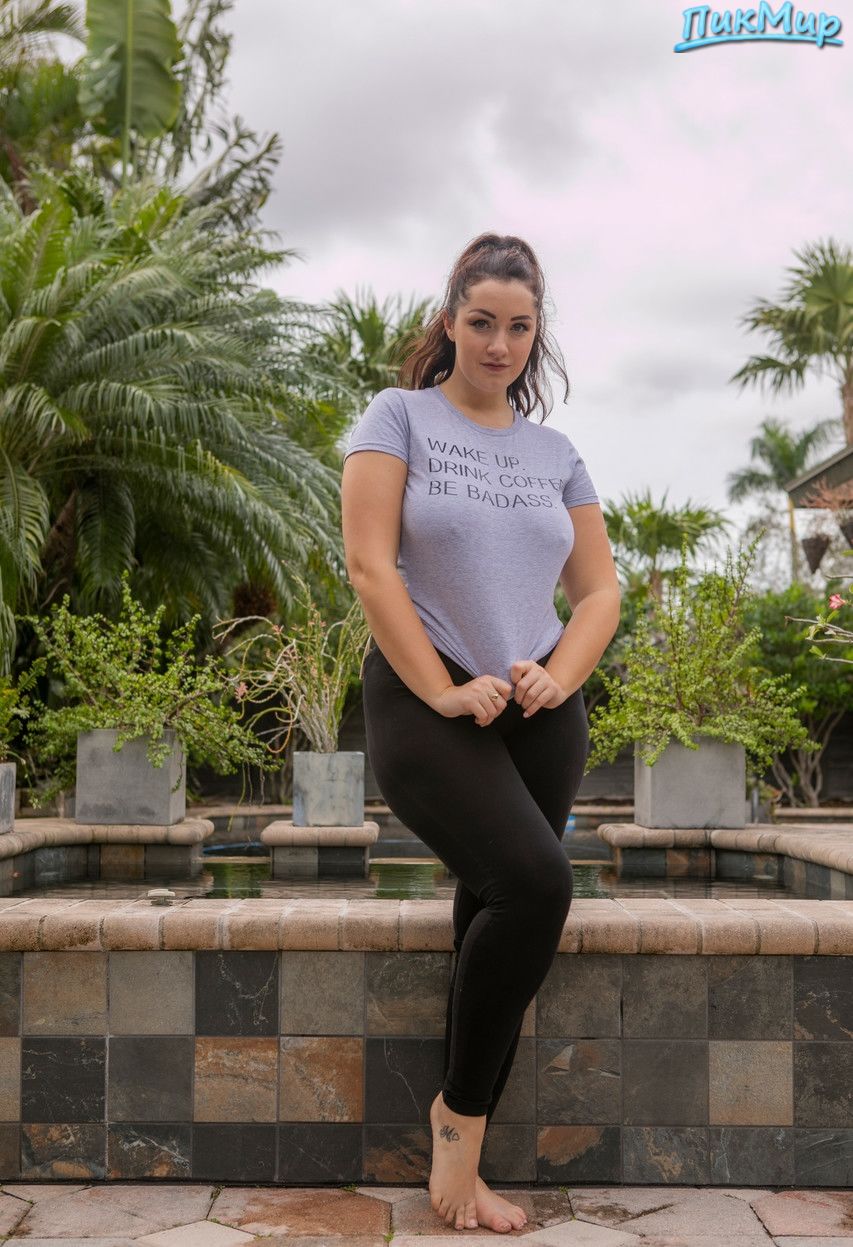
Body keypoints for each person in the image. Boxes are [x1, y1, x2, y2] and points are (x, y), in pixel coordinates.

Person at [340, 233, 621, 1234]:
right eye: (481, 322)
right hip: (428, 698)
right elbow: (370, 565)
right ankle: (456, 1127)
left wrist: (560, 671)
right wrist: (442, 690)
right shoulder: (399, 416)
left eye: (519, 326)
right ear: (450, 320)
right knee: (539, 883)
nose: (499, 344)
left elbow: (598, 591)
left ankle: (463, 1148)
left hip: (539, 708)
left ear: (536, 332)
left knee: (494, 906)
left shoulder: (556, 452)